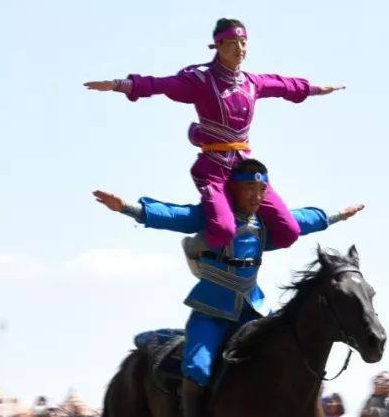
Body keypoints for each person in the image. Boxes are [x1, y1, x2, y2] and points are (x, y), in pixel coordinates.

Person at [93, 158, 363, 417]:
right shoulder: (210, 219)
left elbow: (302, 221)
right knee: (197, 366)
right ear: (233, 189)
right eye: (250, 188)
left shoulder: (264, 226)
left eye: (262, 189)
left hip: (254, 310)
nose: (257, 195)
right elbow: (173, 215)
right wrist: (128, 208)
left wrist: (339, 215)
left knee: (293, 353)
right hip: (211, 312)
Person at [84, 18, 345, 250]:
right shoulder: (201, 80)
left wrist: (316, 89)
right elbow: (161, 84)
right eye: (231, 43)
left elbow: (284, 86)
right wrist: (120, 85)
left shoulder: (252, 82)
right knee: (221, 231)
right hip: (213, 168)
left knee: (288, 233)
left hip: (246, 168)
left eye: (243, 42)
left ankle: (244, 251)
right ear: (217, 46)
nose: (239, 49)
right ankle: (197, 247)